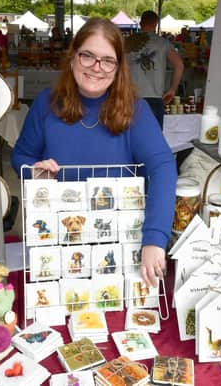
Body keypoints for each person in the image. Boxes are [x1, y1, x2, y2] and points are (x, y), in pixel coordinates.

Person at [11, 18, 177, 288]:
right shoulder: (46, 103)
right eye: (87, 56)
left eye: (107, 60)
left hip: (117, 251)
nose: (96, 68)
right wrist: (33, 171)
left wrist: (155, 238)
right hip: (58, 243)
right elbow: (20, 157)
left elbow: (163, 167)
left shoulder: (136, 110)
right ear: (73, 56)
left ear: (118, 66)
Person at [126, 11, 184, 129]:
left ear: (141, 23)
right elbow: (179, 65)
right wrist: (173, 89)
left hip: (130, 98)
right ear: (156, 24)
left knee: (129, 140)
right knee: (154, 140)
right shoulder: (163, 43)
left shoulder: (127, 42)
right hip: (155, 98)